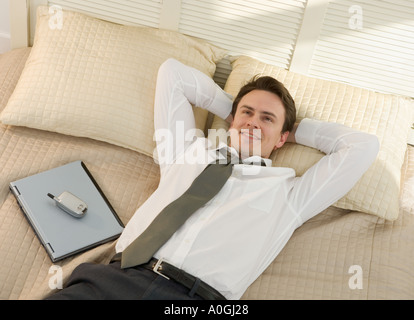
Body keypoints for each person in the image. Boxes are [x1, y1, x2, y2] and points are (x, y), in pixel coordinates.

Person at [46, 58, 379, 300]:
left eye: (267, 118)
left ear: (283, 137)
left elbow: (362, 146)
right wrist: (236, 115)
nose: (253, 122)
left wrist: (290, 132)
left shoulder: (290, 195)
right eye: (247, 111)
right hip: (113, 280)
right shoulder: (186, 152)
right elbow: (172, 74)